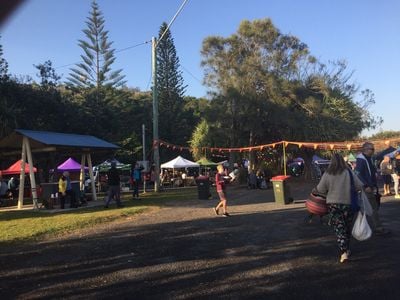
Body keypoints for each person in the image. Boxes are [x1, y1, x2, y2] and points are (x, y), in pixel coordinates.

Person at [315, 153, 363, 263]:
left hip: (334, 205)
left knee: (339, 228)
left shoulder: (328, 173)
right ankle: (347, 249)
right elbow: (359, 186)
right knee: (347, 227)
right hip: (349, 204)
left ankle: (343, 252)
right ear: (342, 161)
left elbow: (320, 189)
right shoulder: (349, 172)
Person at [355, 142, 390, 235]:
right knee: (373, 207)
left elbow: (370, 171)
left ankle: (362, 227)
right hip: (367, 188)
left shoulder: (368, 159)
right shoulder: (361, 160)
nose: (373, 151)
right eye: (372, 149)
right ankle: (377, 228)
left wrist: (375, 174)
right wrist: (366, 186)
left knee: (369, 207)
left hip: (371, 187)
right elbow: (358, 173)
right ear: (366, 149)